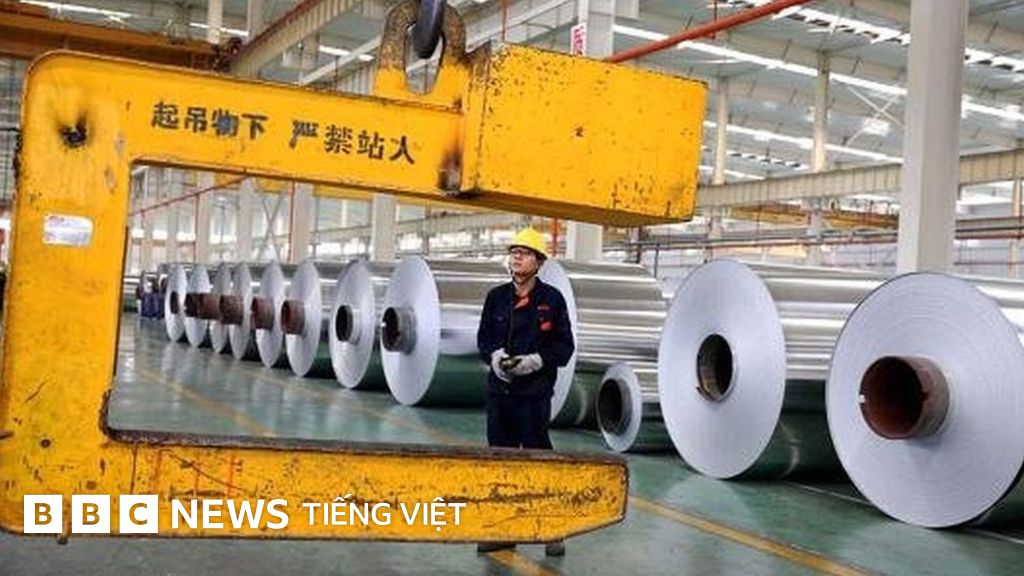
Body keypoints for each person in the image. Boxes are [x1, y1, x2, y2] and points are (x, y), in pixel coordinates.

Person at [475, 227, 575, 557]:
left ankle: (552, 528)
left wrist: (536, 361)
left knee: (538, 457)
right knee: (500, 460)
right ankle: (504, 530)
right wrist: (494, 357)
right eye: (514, 251)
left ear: (539, 262)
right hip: (500, 393)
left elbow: (564, 347)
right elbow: (484, 339)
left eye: (525, 252)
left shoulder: (552, 300)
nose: (517, 257)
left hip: (533, 394)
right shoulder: (496, 297)